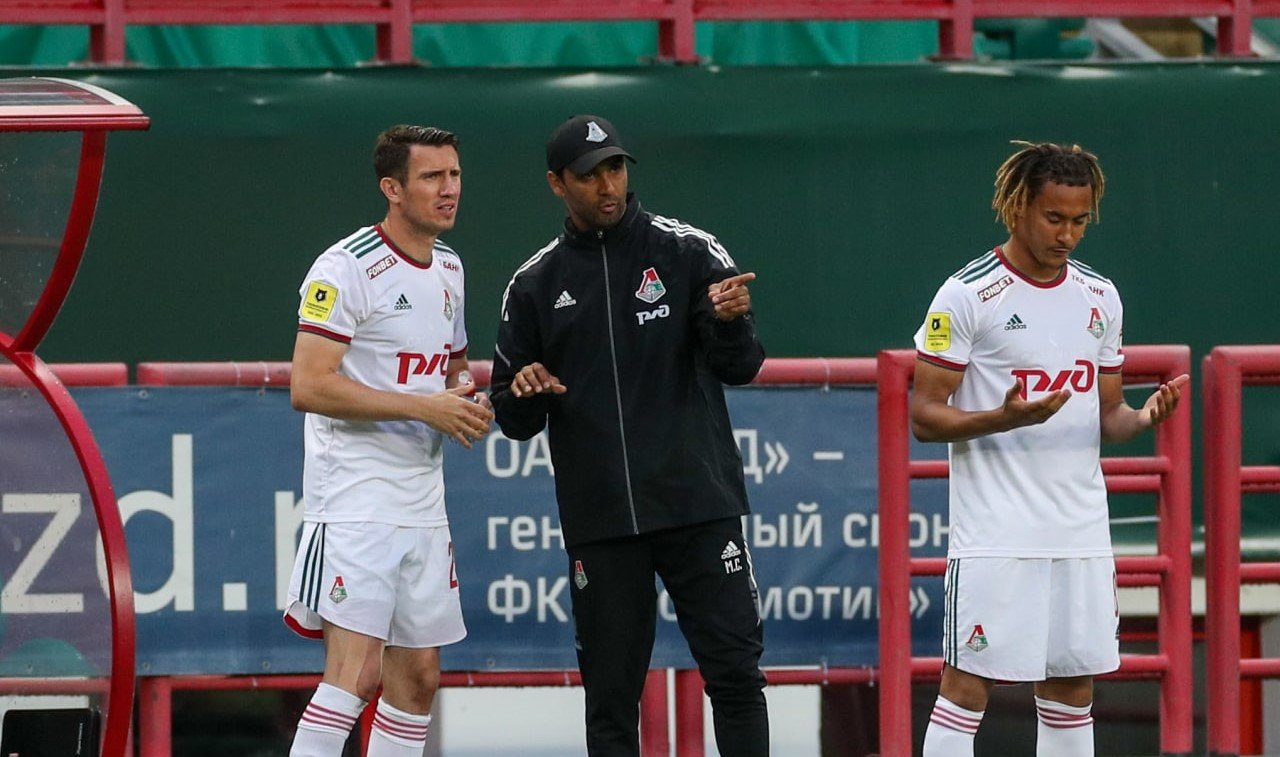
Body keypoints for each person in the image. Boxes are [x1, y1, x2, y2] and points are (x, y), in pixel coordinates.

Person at [490, 114, 770, 756]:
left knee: (735, 677)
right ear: (557, 184)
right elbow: (511, 415)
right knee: (611, 702)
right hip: (604, 522)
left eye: (615, 168)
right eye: (590, 175)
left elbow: (741, 367)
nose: (608, 185)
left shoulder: (689, 251)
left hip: (698, 507)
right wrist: (526, 390)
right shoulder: (534, 284)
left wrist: (733, 323)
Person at [911, 141, 1189, 756]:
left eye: (1080, 221)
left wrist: (1143, 417)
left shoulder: (1100, 296)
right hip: (996, 533)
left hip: (1079, 531)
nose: (1067, 234)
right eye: (1054, 218)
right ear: (1017, 208)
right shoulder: (965, 295)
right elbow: (924, 417)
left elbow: (1109, 415)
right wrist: (1002, 418)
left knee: (1071, 688)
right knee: (967, 686)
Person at [283, 124, 493, 757]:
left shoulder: (450, 267)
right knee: (355, 675)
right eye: (432, 177)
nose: (449, 189)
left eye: (455, 175)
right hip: (356, 499)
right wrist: (425, 408)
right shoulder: (345, 267)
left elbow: (453, 367)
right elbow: (308, 385)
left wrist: (465, 399)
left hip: (422, 501)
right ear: (392, 189)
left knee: (418, 678)